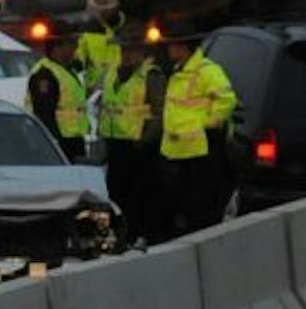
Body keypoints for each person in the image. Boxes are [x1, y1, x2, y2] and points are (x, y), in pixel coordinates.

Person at [157, 22, 237, 236]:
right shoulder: (179, 70)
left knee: (200, 201)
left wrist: (209, 123)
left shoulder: (206, 70)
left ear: (183, 47)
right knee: (185, 199)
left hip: (200, 148)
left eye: (172, 45)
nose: (168, 50)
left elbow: (227, 99)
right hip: (180, 148)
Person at [99, 21, 167, 244]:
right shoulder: (112, 75)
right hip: (116, 146)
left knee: (140, 195)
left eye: (131, 50)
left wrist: (146, 140)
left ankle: (140, 235)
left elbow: (159, 113)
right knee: (116, 195)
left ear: (141, 52)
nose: (126, 55)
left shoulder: (151, 75)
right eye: (123, 50)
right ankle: (120, 235)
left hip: (139, 147)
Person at [27, 32, 90, 161]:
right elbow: (44, 111)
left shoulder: (67, 70)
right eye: (71, 45)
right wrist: (53, 140)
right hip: (59, 141)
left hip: (73, 137)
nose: (75, 49)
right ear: (57, 48)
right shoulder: (45, 74)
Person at [77, 0, 127, 92]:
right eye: (97, 6)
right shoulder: (86, 31)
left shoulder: (131, 30)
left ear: (118, 5)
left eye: (105, 8)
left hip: (124, 96)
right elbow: (77, 65)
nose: (101, 11)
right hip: (93, 98)